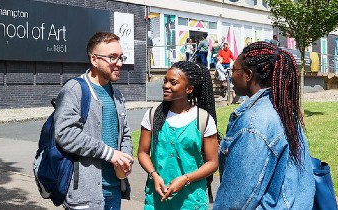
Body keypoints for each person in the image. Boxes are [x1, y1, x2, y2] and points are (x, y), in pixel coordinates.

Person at [213, 42, 315, 209]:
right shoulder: (284, 110)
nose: (231, 76)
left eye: (234, 70)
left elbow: (236, 200)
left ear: (248, 75)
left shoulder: (254, 124)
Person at [54, 32, 134, 210]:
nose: (119, 63)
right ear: (94, 60)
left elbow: (125, 133)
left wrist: (126, 157)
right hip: (85, 195)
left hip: (114, 190)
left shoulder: (117, 94)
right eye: (113, 57)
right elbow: (65, 133)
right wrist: (110, 154)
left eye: (121, 57)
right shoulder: (74, 89)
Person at [138, 61, 219, 210]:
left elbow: (213, 162)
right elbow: (143, 153)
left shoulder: (203, 119)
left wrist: (185, 179)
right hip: (157, 200)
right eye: (165, 81)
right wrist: (154, 175)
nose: (166, 86)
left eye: (173, 82)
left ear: (189, 89)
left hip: (191, 201)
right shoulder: (153, 115)